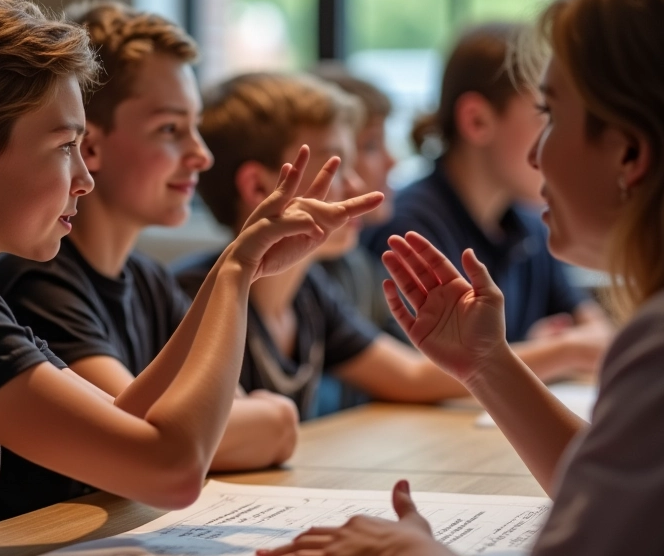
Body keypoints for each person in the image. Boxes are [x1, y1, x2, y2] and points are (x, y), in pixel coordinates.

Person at [254, 0, 664, 556]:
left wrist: (402, 554)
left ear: (630, 151)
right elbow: (624, 503)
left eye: (554, 113)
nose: (539, 155)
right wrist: (488, 363)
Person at [0, 0, 382, 547]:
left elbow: (123, 418)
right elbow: (173, 470)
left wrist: (235, 266)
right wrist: (234, 279)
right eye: (65, 147)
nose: (84, 179)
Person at [0, 1, 301, 521]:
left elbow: (261, 424)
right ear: (91, 145)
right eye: (169, 129)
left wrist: (267, 418)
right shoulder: (37, 282)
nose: (201, 155)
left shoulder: (150, 279)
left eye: (194, 126)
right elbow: (152, 443)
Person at [174, 71, 487, 420]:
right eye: (334, 167)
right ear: (259, 187)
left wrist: (539, 352)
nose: (355, 185)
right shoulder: (192, 297)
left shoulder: (310, 292)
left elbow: (412, 377)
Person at [363, 22, 612, 374]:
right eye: (548, 116)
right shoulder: (410, 229)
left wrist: (536, 351)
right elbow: (428, 370)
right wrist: (559, 351)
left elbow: (595, 330)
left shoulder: (530, 222)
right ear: (477, 120)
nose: (567, 143)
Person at [310, 62, 404, 342]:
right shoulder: (307, 281)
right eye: (371, 145)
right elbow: (409, 376)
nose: (392, 160)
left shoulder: (357, 265)